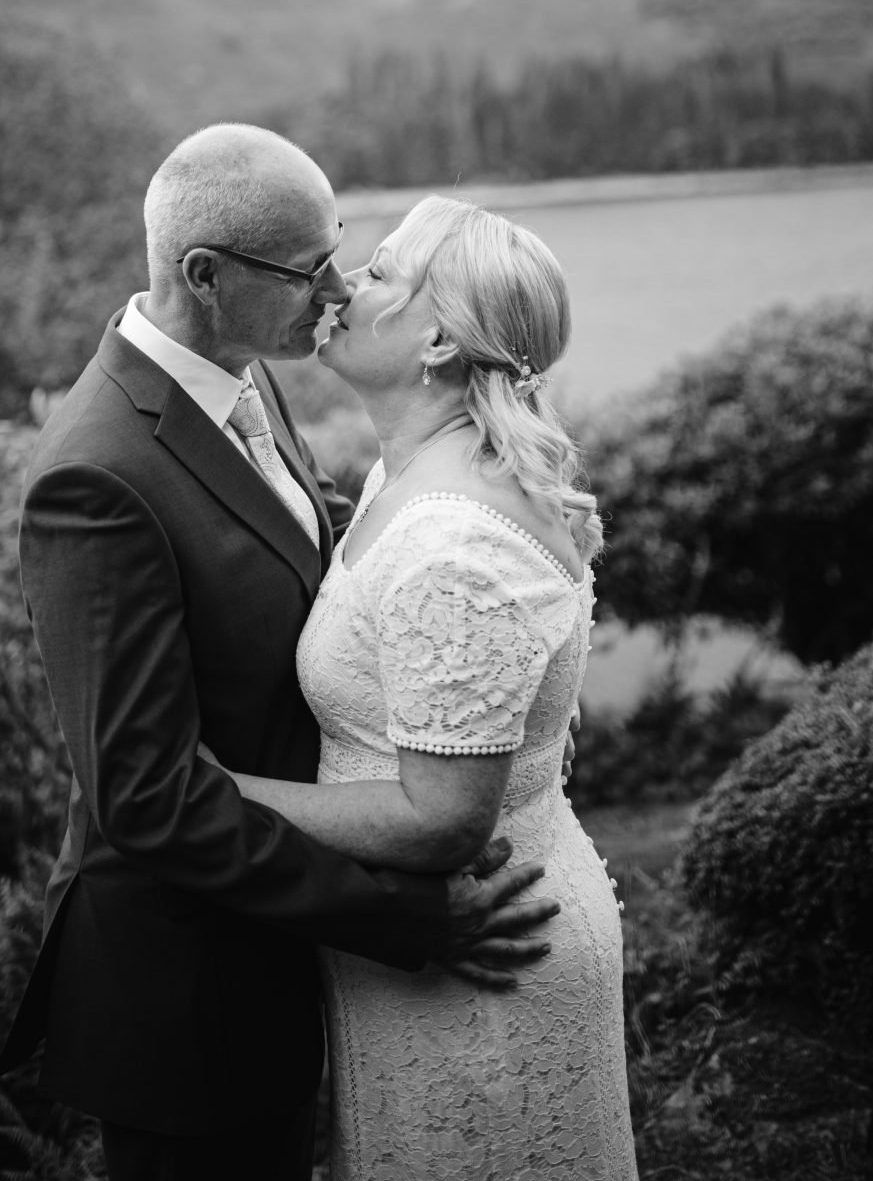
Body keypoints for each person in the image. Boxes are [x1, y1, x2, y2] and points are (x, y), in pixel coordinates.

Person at [0, 126, 561, 1181]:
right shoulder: (95, 476)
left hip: (284, 949)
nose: (339, 286)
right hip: (190, 996)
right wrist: (401, 915)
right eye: (311, 268)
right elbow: (148, 796)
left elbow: (311, 571)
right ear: (203, 275)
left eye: (337, 250)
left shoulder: (241, 374)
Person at [214, 194, 639, 1179]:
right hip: (426, 954)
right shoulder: (413, 470)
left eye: (384, 273)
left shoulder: (456, 546)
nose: (346, 284)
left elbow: (443, 817)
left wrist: (216, 789)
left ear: (439, 338)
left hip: (486, 964)